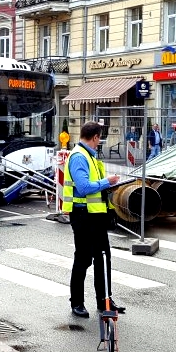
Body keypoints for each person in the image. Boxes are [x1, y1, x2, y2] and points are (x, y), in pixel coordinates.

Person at [61, 121, 124, 318]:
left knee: (103, 257)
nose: (99, 143)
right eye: (99, 139)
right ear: (95, 137)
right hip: (82, 215)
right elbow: (84, 187)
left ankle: (105, 300)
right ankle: (77, 302)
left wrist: (106, 187)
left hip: (95, 215)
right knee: (83, 258)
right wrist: (108, 182)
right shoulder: (80, 157)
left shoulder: (89, 155)